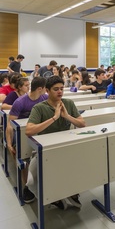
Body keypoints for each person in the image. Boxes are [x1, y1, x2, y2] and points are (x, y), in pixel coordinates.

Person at [26, 76, 86, 209]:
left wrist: (66, 116)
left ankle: (71, 192)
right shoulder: (39, 108)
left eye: (61, 89)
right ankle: (52, 195)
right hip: (46, 149)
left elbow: (82, 123)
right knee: (36, 175)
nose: (59, 92)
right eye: (55, 89)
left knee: (79, 164)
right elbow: (29, 131)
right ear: (47, 90)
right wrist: (55, 117)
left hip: (66, 146)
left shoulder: (68, 103)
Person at [5, 77, 47, 204]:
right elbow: (9, 125)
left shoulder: (44, 98)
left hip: (37, 131)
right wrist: (8, 142)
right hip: (21, 133)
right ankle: (27, 186)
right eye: (46, 88)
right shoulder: (20, 102)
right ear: (40, 88)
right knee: (23, 156)